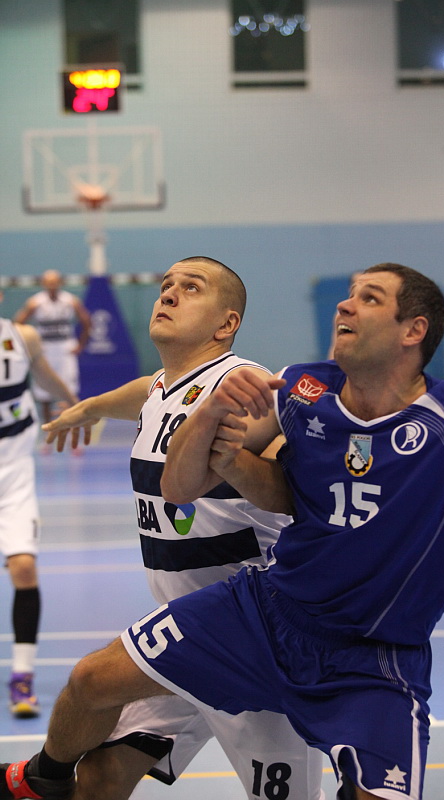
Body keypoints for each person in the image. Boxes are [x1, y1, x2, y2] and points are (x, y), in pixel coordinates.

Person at [2, 262, 444, 800]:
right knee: (94, 717)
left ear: (413, 330)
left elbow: (288, 491)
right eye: (348, 294)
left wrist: (231, 454)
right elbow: (161, 425)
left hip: (340, 640)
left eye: (369, 298)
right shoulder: (274, 388)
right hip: (234, 618)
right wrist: (97, 408)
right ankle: (42, 778)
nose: (344, 304)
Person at [26, 257, 324, 800]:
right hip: (185, 631)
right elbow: (146, 392)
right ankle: (44, 778)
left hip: (253, 639)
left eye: (191, 287)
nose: (168, 293)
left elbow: (284, 434)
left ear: (226, 323)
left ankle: (37, 778)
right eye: (166, 285)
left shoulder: (243, 389)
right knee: (100, 773)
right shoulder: (164, 386)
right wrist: (88, 409)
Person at [0, 305, 77, 718]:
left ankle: (22, 677)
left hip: (13, 473)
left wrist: (74, 402)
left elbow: (43, 373)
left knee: (24, 568)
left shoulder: (22, 337)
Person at [14, 270, 91, 424]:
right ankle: (48, 426)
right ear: (44, 284)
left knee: (69, 388)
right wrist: (28, 346)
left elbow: (87, 321)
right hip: (45, 349)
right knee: (43, 389)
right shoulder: (35, 302)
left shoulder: (71, 301)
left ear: (60, 283)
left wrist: (81, 345)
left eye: (55, 283)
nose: (52, 286)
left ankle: (71, 425)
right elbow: (17, 323)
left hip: (65, 349)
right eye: (49, 283)